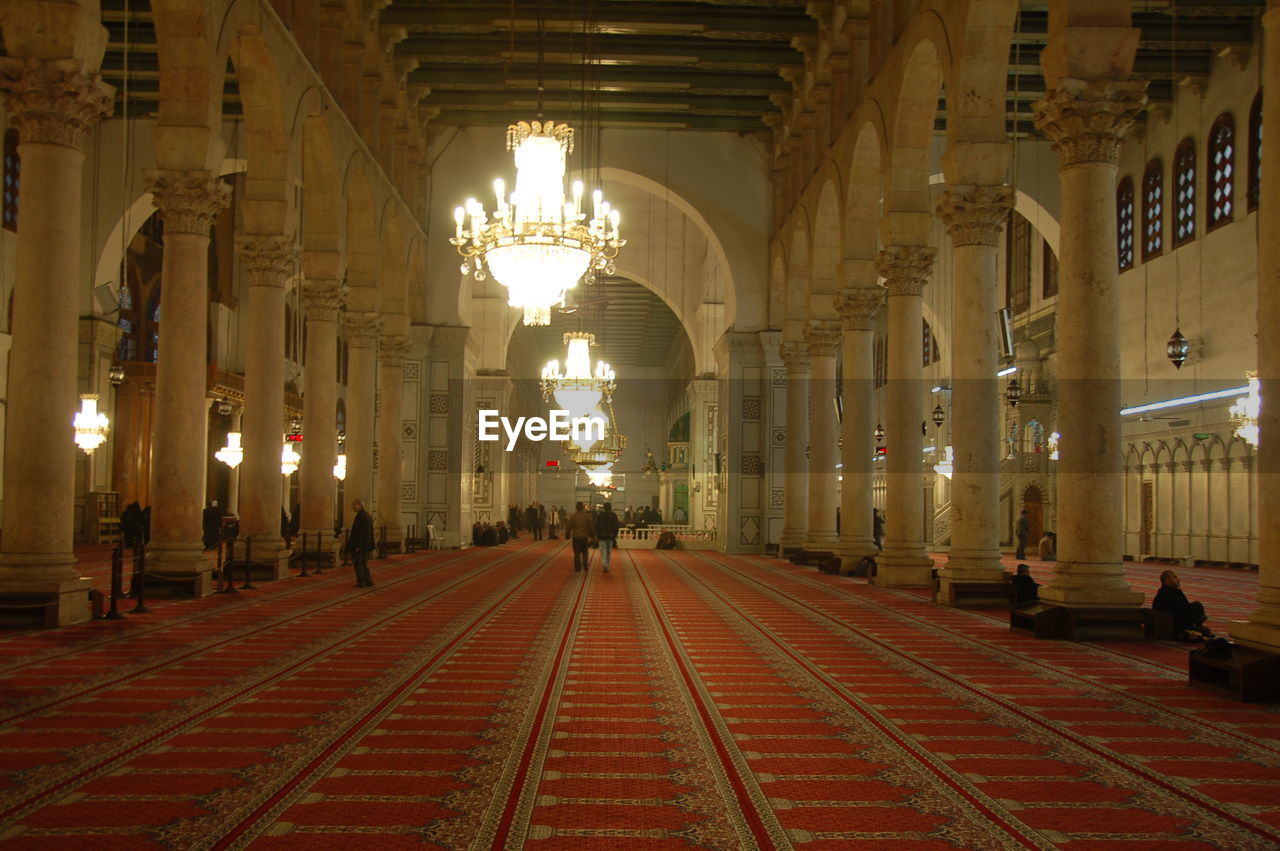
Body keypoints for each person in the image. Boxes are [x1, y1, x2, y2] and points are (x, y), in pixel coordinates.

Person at [1153, 569, 1212, 639]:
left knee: (1204, 629)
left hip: (1177, 622)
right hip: (1175, 626)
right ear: (1167, 580)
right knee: (1197, 606)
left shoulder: (1171, 592)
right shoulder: (1166, 594)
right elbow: (1178, 612)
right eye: (1174, 577)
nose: (1178, 579)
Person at [346, 499, 376, 587]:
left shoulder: (362, 516)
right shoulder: (364, 515)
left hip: (361, 545)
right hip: (364, 545)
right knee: (363, 564)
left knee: (359, 563)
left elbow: (362, 533)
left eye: (355, 504)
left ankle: (361, 581)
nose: (353, 506)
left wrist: (359, 546)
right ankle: (368, 580)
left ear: (360, 505)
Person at [566, 501, 595, 572]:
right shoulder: (587, 516)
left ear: (576, 508)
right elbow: (590, 527)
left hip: (576, 537)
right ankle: (585, 566)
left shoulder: (573, 516)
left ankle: (577, 567)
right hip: (584, 537)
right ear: (583, 508)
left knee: (577, 553)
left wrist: (567, 535)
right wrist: (592, 536)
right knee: (585, 552)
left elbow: (569, 526)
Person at [595, 501, 620, 573]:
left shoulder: (600, 515)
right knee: (608, 551)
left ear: (604, 508)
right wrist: (615, 535)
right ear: (610, 507)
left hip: (602, 536)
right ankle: (607, 565)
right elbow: (616, 526)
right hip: (611, 536)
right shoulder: (613, 515)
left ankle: (604, 565)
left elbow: (597, 525)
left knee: (603, 551)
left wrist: (597, 534)